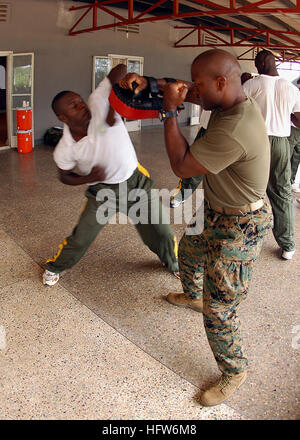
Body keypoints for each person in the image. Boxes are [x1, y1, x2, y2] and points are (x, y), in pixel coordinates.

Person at [121, 50, 273, 406]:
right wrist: (153, 84)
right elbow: (186, 89)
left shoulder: (235, 127)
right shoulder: (228, 101)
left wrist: (168, 111)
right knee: (188, 251)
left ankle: (235, 370)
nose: (193, 91)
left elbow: (181, 165)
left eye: (200, 84)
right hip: (217, 210)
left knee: (220, 309)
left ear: (221, 83)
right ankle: (192, 294)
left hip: (241, 225)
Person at [43, 64, 179, 286]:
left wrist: (118, 87)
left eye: (80, 100)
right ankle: (54, 267)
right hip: (102, 192)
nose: (81, 105)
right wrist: (87, 178)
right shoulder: (65, 149)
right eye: (73, 105)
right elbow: (64, 176)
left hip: (136, 181)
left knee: (161, 232)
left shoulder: (98, 102)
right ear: (63, 117)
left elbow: (120, 68)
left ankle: (174, 264)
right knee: (81, 239)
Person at [243, 50, 300, 260]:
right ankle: (288, 246)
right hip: (282, 143)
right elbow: (299, 119)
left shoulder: (253, 84)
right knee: (282, 192)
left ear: (261, 63)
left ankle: (247, 235)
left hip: (258, 141)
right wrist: (284, 121)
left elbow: (235, 108)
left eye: (257, 63)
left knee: (250, 190)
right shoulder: (290, 88)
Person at [169, 72, 253, 208]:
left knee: (225, 173)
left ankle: (217, 202)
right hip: (207, 129)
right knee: (193, 167)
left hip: (230, 133)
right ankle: (183, 194)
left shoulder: (243, 96)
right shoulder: (212, 91)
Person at [289, 78, 300, 193]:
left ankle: (291, 181)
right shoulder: (294, 93)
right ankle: (286, 181)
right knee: (288, 156)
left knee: (296, 157)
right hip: (293, 129)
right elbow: (291, 115)